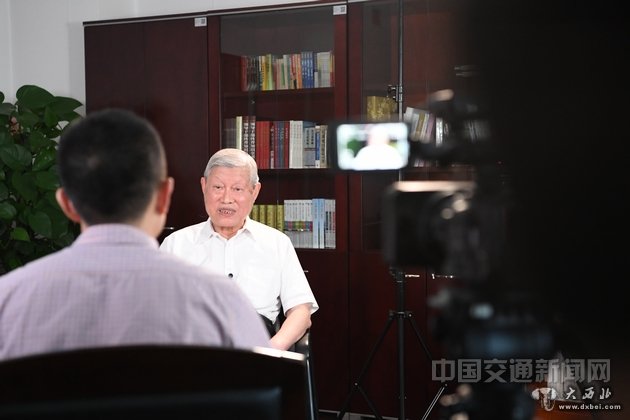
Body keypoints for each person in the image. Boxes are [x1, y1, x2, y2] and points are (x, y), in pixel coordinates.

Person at [0, 109, 270, 361]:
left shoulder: (9, 299)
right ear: (164, 197)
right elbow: (262, 386)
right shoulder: (222, 301)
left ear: (67, 204)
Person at [160, 148, 319, 351]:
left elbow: (301, 312)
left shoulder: (277, 243)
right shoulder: (175, 244)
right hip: (194, 352)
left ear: (255, 191)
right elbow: (155, 310)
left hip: (256, 351)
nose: (227, 199)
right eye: (218, 187)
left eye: (237, 189)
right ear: (204, 186)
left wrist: (271, 349)